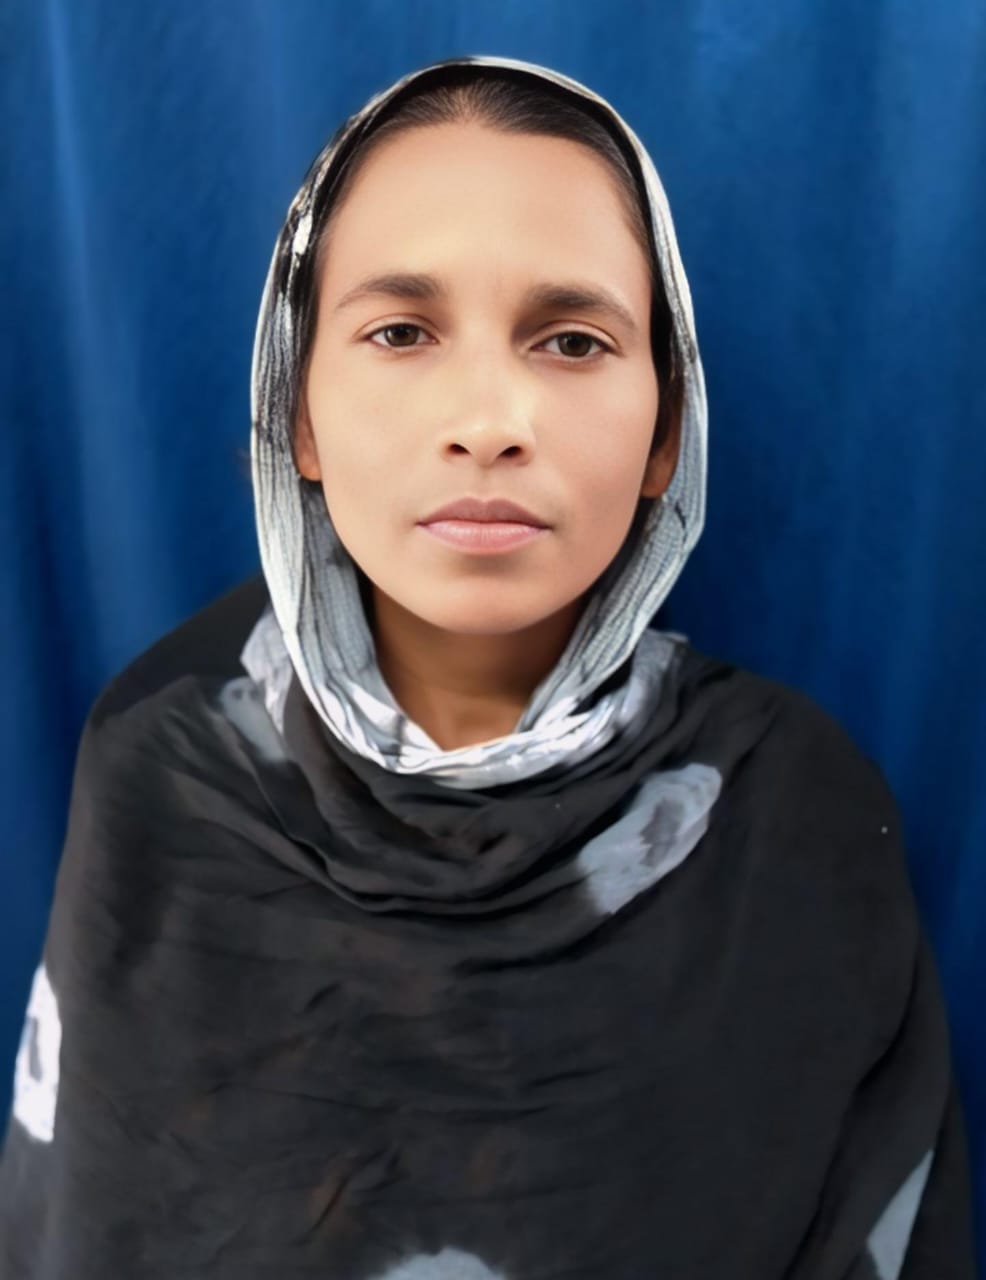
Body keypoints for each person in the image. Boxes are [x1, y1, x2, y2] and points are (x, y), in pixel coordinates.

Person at [0, 54, 976, 1279]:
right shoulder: (165, 758)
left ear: (666, 431)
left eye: (570, 340)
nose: (487, 420)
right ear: (295, 411)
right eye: (401, 332)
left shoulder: (797, 811)